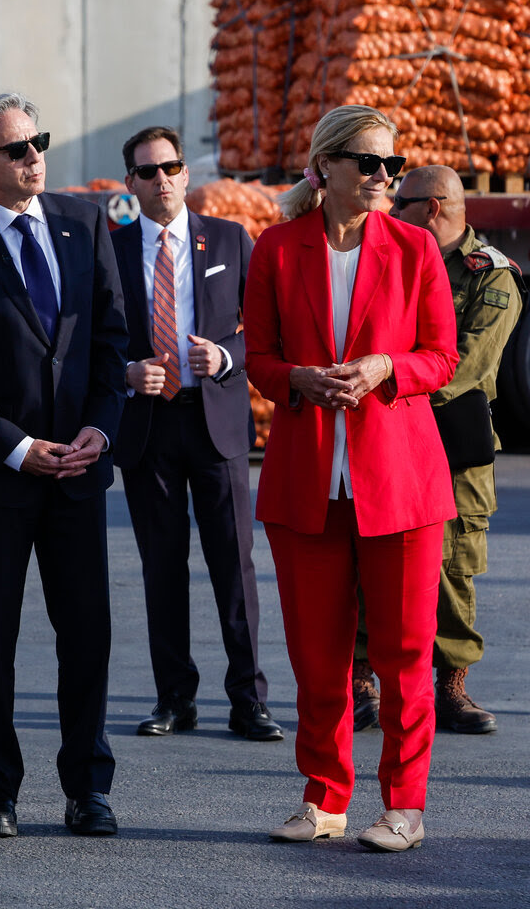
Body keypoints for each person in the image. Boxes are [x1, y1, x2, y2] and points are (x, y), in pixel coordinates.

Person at [243, 105, 459, 853]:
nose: (381, 178)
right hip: (307, 480)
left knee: (405, 658)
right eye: (367, 163)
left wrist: (386, 368)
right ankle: (324, 799)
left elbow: (442, 357)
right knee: (317, 657)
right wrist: (299, 378)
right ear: (323, 168)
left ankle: (404, 805)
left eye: (391, 167)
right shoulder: (275, 249)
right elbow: (260, 359)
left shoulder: (415, 249)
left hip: (399, 480)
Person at [0, 93, 128, 838]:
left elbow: (110, 342)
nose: (35, 155)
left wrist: (102, 427)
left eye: (38, 141)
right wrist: (15, 445)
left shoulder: (83, 222)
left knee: (87, 634)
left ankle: (88, 790)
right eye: (16, 148)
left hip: (78, 471)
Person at [112, 126, 282, 743]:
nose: (162, 179)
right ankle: (174, 698)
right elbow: (91, 343)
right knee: (162, 568)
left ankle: (248, 700)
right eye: (148, 171)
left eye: (172, 167)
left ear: (186, 174)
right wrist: (126, 371)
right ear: (130, 183)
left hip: (216, 422)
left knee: (233, 566)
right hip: (148, 424)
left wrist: (227, 356)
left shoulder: (231, 239)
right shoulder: (112, 248)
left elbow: (264, 331)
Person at [351, 166, 524, 734]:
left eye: (401, 202)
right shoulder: (393, 254)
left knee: (453, 565)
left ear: (432, 207)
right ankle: (360, 680)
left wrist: (387, 379)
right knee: (368, 553)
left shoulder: (489, 276)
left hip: (450, 438)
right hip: (390, 429)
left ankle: (450, 687)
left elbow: (464, 365)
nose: (390, 209)